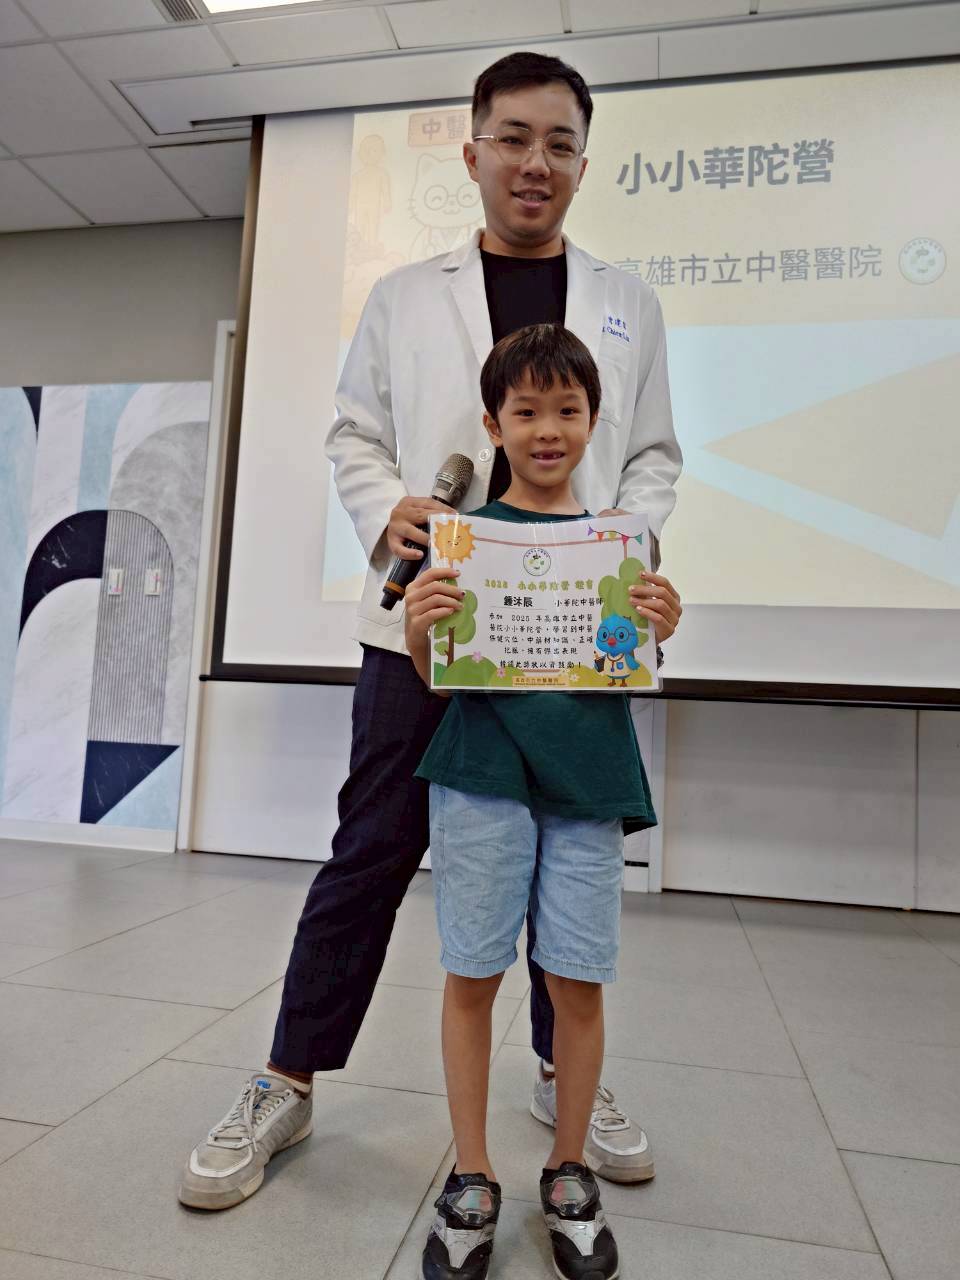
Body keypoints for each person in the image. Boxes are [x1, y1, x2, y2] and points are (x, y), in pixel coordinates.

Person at [179, 50, 682, 1212]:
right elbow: (354, 434)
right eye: (514, 138)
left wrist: (622, 544)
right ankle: (286, 1077)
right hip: (430, 620)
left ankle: (562, 1077)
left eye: (559, 142)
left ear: (583, 162)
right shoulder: (406, 295)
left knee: (565, 844)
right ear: (472, 152)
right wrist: (387, 508)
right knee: (372, 846)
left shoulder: (629, 302)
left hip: (568, 629)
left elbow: (653, 454)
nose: (535, 162)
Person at [404, 323, 682, 1280]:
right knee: (472, 972)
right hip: (481, 775)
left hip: (587, 781)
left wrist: (661, 622)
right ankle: (472, 1174)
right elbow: (437, 675)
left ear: (595, 419)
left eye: (567, 409)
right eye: (526, 411)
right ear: (493, 425)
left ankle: (568, 1170)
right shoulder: (465, 540)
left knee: (577, 979)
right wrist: (420, 631)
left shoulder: (616, 544)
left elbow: (629, 659)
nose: (548, 429)